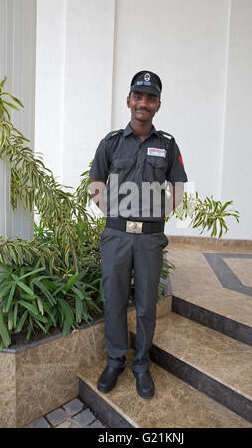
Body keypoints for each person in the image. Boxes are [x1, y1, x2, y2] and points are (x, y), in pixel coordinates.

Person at [89, 70, 188, 399]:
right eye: (138, 96)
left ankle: (141, 365)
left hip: (149, 240)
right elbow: (96, 183)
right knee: (115, 301)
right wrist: (115, 215)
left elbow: (177, 185)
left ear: (158, 105)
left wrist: (159, 215)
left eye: (150, 98)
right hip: (116, 237)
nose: (143, 103)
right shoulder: (111, 142)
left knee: (146, 305)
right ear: (129, 101)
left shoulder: (167, 145)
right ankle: (115, 361)